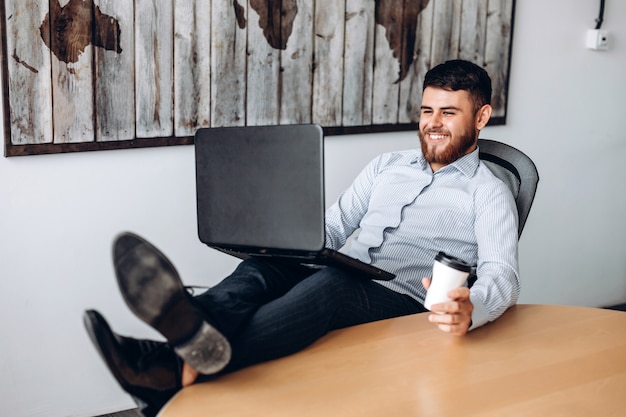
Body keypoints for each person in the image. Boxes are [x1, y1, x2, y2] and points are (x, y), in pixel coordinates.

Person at [84, 59, 519, 417]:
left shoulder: (488, 191)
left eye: (449, 112)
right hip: (341, 268)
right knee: (264, 267)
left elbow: (502, 274)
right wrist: (286, 242)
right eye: (427, 111)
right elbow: (334, 225)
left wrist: (472, 308)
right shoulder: (388, 165)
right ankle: (185, 342)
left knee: (332, 286)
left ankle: (164, 361)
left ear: (481, 116)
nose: (433, 124)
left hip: (401, 300)